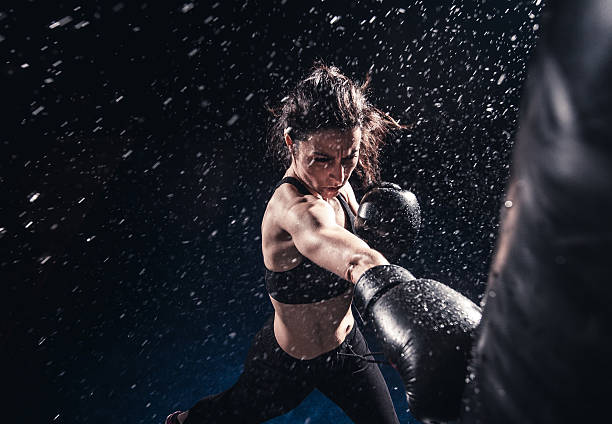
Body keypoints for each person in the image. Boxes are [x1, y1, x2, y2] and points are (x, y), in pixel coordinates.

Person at [166, 64, 404, 423]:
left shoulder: (339, 185)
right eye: (322, 159)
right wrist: (405, 297)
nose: (338, 175)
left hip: (347, 350)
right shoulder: (292, 209)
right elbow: (353, 257)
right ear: (292, 142)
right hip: (289, 364)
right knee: (223, 416)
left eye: (348, 157)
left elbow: (360, 244)